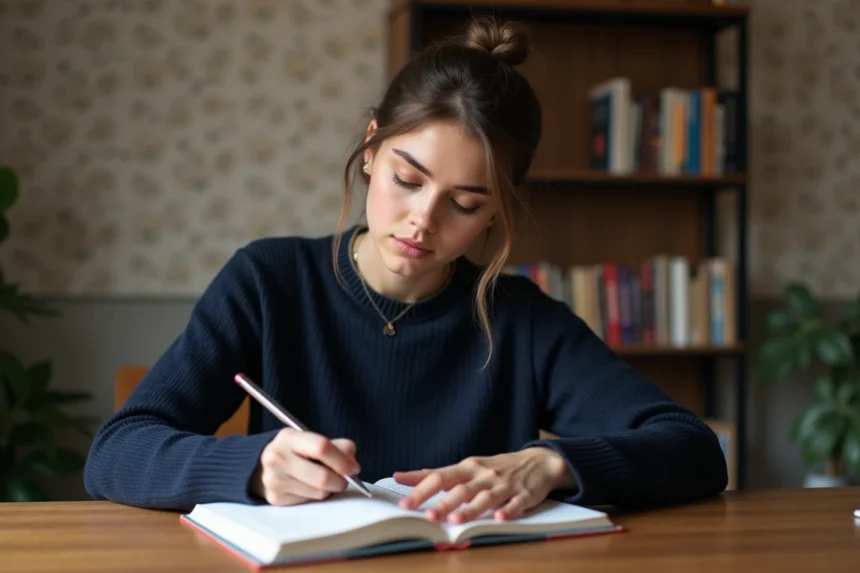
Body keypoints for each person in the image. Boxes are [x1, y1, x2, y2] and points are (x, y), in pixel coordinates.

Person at [84, 16, 728, 523]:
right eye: (406, 179)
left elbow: (692, 447)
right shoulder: (268, 282)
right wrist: (254, 466)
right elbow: (118, 452)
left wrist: (549, 464)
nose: (422, 220)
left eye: (466, 203)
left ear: (497, 210)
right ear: (370, 148)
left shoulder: (523, 319)